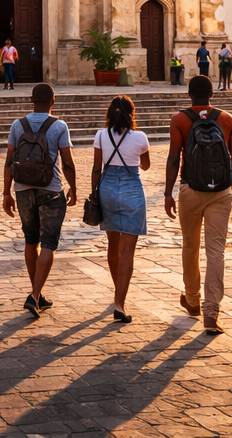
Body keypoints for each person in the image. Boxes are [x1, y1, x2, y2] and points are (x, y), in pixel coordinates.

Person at [165, 75, 232, 334]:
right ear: (212, 94)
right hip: (221, 191)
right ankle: (211, 312)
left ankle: (193, 299)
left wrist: (167, 192)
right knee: (216, 252)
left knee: (190, 245)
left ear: (189, 94)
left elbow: (174, 158)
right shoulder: (227, 119)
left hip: (191, 189)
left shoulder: (180, 120)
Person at [2, 84, 77, 319]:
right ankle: (34, 295)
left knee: (30, 240)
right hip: (51, 189)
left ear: (32, 100)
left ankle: (37, 292)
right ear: (53, 100)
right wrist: (73, 186)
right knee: (48, 243)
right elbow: (67, 162)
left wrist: (6, 192)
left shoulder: (18, 125)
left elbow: (8, 160)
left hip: (23, 189)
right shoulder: (59, 126)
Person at [92, 96, 150, 323]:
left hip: (106, 189)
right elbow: (144, 166)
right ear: (131, 114)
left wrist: (94, 195)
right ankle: (120, 303)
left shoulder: (100, 135)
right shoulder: (140, 137)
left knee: (113, 244)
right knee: (128, 250)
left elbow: (97, 168)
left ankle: (118, 291)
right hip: (131, 189)